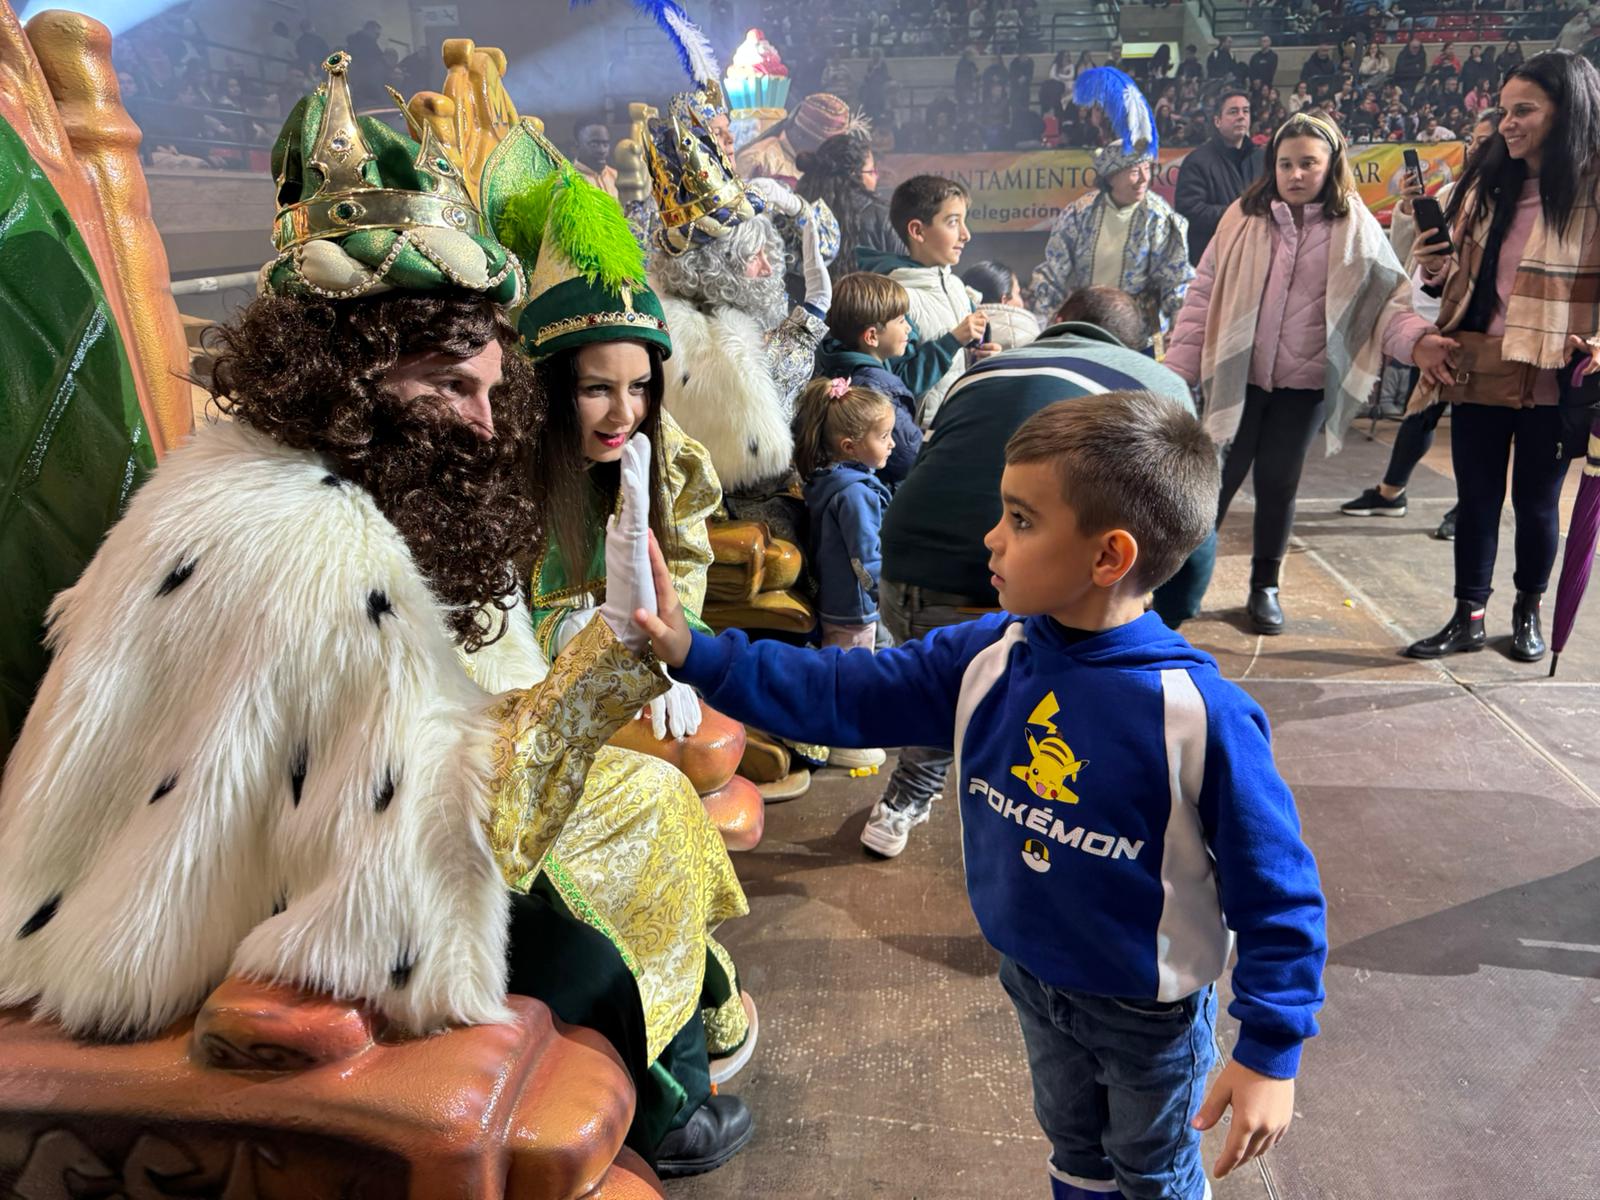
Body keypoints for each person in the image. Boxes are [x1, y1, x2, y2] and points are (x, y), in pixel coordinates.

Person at [0, 52, 752, 1177]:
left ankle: (685, 1052)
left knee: (639, 803)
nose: (482, 421)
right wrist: (605, 671)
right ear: (343, 370)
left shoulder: (260, 470)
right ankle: (669, 1100)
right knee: (617, 862)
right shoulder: (317, 550)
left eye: (494, 389)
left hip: (198, 879)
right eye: (451, 385)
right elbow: (400, 905)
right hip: (211, 948)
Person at [637, 390, 1328, 1200]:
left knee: (1155, 1174)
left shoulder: (1198, 714)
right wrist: (697, 651)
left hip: (1149, 1016)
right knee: (1075, 1151)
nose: (992, 538)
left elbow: (1279, 893)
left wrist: (1269, 1052)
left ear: (1109, 557)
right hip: (1031, 978)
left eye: (1022, 520)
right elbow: (844, 690)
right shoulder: (989, 654)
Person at [865, 286, 1204, 857]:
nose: (993, 535)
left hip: (908, 570)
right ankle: (1033, 832)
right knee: (1043, 700)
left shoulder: (980, 372)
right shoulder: (1160, 390)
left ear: (1060, 320)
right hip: (996, 592)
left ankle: (907, 801)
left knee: (951, 688)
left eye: (1018, 520)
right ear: (1133, 345)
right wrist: (1157, 626)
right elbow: (1190, 532)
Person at [1164, 112, 1456, 635]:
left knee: (1278, 482)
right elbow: (1203, 293)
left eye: (1308, 164)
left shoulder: (1356, 226)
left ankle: (1264, 587)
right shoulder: (1242, 217)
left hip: (1304, 389)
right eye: (1285, 164)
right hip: (1238, 379)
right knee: (1210, 484)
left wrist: (1417, 340)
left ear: (1332, 166)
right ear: (1271, 166)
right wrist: (1175, 374)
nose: (1295, 174)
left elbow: (1384, 305)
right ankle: (1176, 585)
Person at [1403, 51, 1600, 662]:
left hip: (1553, 377)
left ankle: (1527, 611)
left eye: (1525, 111)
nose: (1508, 123)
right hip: (1477, 365)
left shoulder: (1594, 191)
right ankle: (1468, 614)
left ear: (1567, 113)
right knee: (1477, 497)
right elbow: (1447, 282)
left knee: (1537, 503)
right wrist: (1432, 265)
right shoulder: (1487, 184)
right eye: (1504, 110)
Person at [1341, 109, 1502, 537]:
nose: (1475, 149)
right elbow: (1408, 253)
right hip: (1430, 323)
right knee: (1422, 411)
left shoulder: (1511, 203)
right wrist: (1410, 209)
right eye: (1473, 139)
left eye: (1488, 142)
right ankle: (1391, 492)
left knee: (1473, 428)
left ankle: (1468, 508)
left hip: (1478, 331)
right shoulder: (1450, 193)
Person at [1027, 68, 1193, 352]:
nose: (1143, 179)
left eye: (1146, 169)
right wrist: (1043, 325)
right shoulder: (1079, 214)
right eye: (1133, 171)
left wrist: (1179, 325)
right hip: (1086, 328)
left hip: (1139, 334)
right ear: (1111, 177)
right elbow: (1053, 272)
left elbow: (1176, 278)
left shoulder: (1160, 218)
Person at [856, 174, 1000, 429]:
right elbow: (897, 382)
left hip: (959, 424)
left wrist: (979, 358)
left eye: (963, 222)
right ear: (917, 230)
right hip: (919, 438)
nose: (966, 234)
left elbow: (958, 364)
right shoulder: (896, 298)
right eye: (953, 222)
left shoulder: (956, 287)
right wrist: (952, 341)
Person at [814, 271, 955, 487]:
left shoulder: (834, 364)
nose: (908, 327)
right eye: (900, 321)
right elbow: (910, 456)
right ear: (871, 336)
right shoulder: (877, 387)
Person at [794, 377, 896, 654]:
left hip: (837, 600)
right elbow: (863, 556)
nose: (893, 444)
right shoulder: (854, 495)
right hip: (856, 611)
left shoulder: (829, 481)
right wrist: (887, 598)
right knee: (854, 676)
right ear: (850, 447)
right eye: (884, 436)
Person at [1174, 87, 1264, 266]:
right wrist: (1240, 213)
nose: (1241, 116)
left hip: (1255, 254)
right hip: (1213, 258)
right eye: (1233, 111)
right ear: (1217, 121)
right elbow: (1189, 210)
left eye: (1245, 111)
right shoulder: (1197, 161)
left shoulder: (1262, 158)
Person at [794, 131, 900, 279]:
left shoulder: (796, 211)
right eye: (872, 171)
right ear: (853, 174)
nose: (876, 176)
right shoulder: (882, 217)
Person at [736, 91, 855, 188]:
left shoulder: (823, 165)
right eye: (824, 146)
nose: (828, 154)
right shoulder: (759, 159)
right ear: (801, 135)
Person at [963, 258, 1043, 348]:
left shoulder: (957, 334)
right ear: (1004, 300)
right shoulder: (1031, 340)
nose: (1022, 302)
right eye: (1017, 293)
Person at [570, 116, 619, 198]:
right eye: (594, 145)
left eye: (605, 144)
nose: (602, 150)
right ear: (576, 147)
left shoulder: (616, 176)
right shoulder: (567, 182)